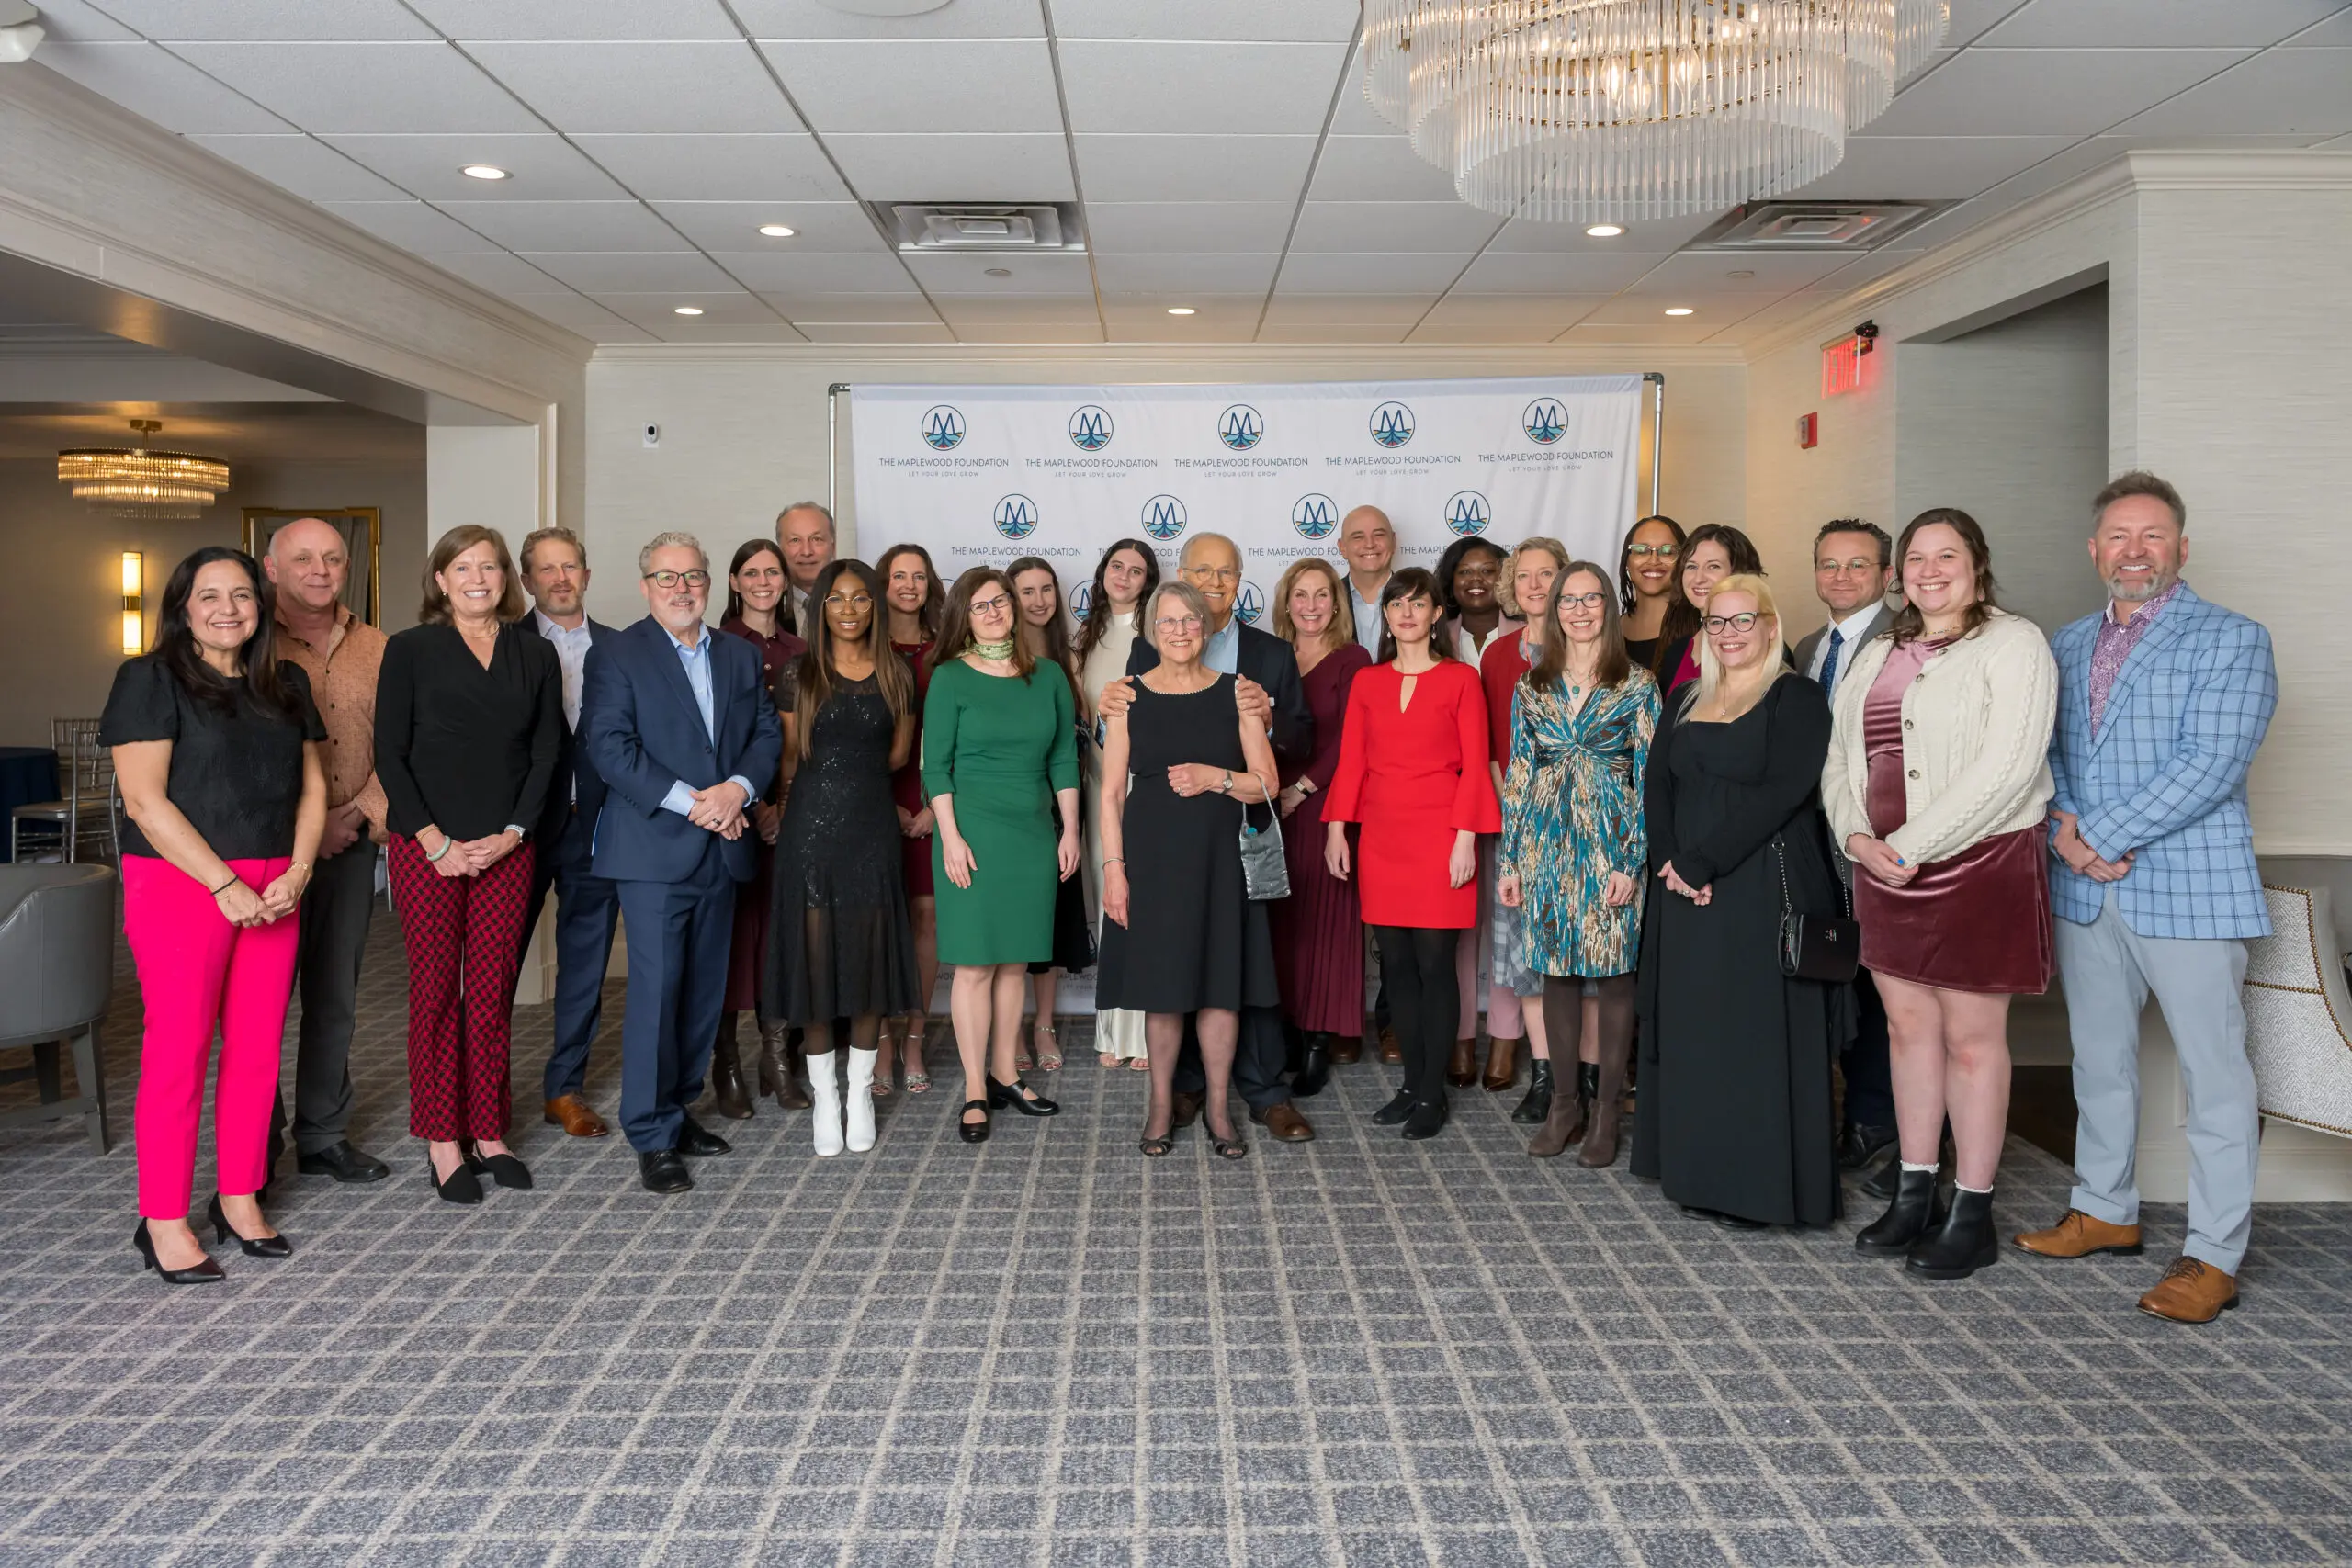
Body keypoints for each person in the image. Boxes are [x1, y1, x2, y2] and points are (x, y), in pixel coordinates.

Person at [2014, 473, 2278, 1324]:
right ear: (2095, 550)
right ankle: (2104, 1208)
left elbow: (2212, 762)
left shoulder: (2233, 638)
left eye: (2152, 535)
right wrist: (2065, 833)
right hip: (2085, 888)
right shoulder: (2065, 642)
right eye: (2120, 537)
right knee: (2099, 1061)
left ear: (2181, 548)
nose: (2135, 551)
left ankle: (2214, 1254)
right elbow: (2042, 752)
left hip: (2190, 888)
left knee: (2215, 1076)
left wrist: (2098, 834)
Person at [1826, 510, 2058, 1280]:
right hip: (1884, 869)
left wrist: (1907, 846)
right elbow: (1840, 758)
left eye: (1946, 555)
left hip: (1977, 864)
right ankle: (1915, 1191)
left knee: (1971, 1040)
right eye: (1917, 558)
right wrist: (1856, 837)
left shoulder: (2014, 643)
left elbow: (2009, 766)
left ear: (1976, 563)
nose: (1930, 570)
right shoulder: (1880, 651)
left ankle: (1972, 1209)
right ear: (1900, 573)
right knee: (1906, 1031)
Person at [106, 547, 326, 1281]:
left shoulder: (286, 683)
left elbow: (312, 789)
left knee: (258, 1049)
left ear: (261, 606)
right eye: (209, 595)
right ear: (182, 606)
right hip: (182, 881)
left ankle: (238, 1196)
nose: (227, 608)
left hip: (274, 884)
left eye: (241, 595)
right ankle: (163, 1219)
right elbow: (145, 801)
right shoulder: (149, 679)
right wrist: (221, 883)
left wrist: (298, 870)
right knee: (180, 1049)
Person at [1634, 574, 1847, 1229]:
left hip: (1760, 885)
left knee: (1754, 1033)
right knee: (1697, 1029)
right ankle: (1698, 1173)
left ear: (1770, 625)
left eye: (1742, 620)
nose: (1729, 633)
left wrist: (1704, 862)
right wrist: (1670, 860)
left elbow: (1783, 791)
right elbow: (1657, 784)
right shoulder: (1686, 697)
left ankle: (1759, 1190)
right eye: (1716, 622)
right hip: (1684, 887)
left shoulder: (1796, 697)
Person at [582, 532, 783, 1195]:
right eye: (667, 577)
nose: (681, 588)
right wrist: (696, 803)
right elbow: (610, 747)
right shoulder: (617, 653)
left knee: (703, 990)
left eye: (692, 575)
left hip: (724, 844)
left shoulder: (738, 654)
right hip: (652, 850)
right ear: (646, 585)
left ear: (708, 583)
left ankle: (678, 1109)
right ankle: (650, 1132)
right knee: (657, 990)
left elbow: (765, 734)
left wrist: (738, 791)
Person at [1107, 533, 1316, 1143]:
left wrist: (1218, 773)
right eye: (1168, 621)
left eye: (1189, 620)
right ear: (1153, 629)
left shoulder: (1246, 683)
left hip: (1224, 856)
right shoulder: (1131, 688)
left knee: (1226, 985)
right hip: (1154, 856)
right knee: (1165, 988)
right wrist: (1114, 866)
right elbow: (1111, 786)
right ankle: (1164, 1102)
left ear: (1206, 624)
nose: (1180, 630)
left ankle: (1229, 1105)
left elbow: (1272, 775)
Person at [377, 525, 562, 1205]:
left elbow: (547, 752)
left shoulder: (535, 652)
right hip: (426, 848)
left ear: (506, 577)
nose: (477, 578)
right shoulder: (410, 649)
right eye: (462, 567)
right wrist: (434, 840)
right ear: (441, 580)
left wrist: (514, 832)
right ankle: (441, 1139)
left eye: (489, 566)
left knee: (490, 991)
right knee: (434, 991)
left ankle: (488, 1130)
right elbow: (388, 753)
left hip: (506, 847)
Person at [1322, 568, 1500, 1141]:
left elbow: (1475, 763)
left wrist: (1465, 838)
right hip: (1381, 836)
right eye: (1397, 604)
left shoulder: (1461, 679)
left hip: (1441, 836)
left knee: (1435, 965)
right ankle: (1409, 1086)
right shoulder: (1367, 682)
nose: (1406, 613)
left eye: (1418, 604)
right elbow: (1351, 760)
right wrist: (1336, 829)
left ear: (1435, 614)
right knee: (1395, 965)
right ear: (1387, 616)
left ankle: (1432, 1092)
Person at [1500, 561, 1659, 1163]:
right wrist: (1511, 861)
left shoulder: (1637, 684)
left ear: (1608, 608)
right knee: (1558, 975)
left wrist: (1631, 858)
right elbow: (1520, 775)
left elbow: (1650, 781)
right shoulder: (1532, 686)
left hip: (1610, 850)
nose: (1580, 609)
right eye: (1569, 599)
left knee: (1615, 977)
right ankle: (1564, 1104)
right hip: (1545, 847)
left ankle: (1606, 1111)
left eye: (1592, 599)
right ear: (1555, 609)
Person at [763, 559, 920, 1157]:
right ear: (820, 608)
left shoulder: (897, 673)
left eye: (860, 599)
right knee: (816, 963)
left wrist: (852, 780)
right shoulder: (799, 674)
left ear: (875, 606)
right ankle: (826, 1096)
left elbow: (899, 754)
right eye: (836, 599)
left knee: (868, 960)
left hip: (871, 829)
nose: (849, 610)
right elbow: (790, 756)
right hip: (809, 831)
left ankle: (860, 1094)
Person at [922, 567, 1080, 1144]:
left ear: (1014, 607)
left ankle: (1006, 1075)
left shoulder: (1050, 675)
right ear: (963, 617)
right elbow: (935, 767)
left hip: (1033, 833)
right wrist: (951, 835)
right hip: (971, 833)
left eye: (1000, 602)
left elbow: (1063, 757)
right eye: (979, 606)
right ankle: (974, 1089)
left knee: (1015, 961)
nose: (993, 613)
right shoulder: (949, 678)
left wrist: (1070, 829)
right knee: (975, 965)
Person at [259, 517, 391, 1187]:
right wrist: (305, 831)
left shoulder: (380, 647)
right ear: (272, 568)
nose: (320, 570)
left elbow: (403, 744)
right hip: (265, 854)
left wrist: (360, 812)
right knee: (259, 1003)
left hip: (349, 845)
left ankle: (322, 1135)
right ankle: (255, 1143)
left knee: (335, 994)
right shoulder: (247, 641)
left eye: (333, 559)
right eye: (303, 559)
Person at [1791, 520, 1899, 1183]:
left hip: (1882, 840)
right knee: (1841, 979)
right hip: (1818, 841)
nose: (1841, 576)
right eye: (1829, 564)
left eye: (1857, 565)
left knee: (1892, 990)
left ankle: (1896, 1128)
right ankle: (1861, 1118)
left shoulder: (1907, 641)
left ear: (1887, 575)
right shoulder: (1809, 646)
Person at [516, 526, 624, 1140]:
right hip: (520, 831)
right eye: (546, 568)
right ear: (527, 580)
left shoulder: (621, 648)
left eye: (570, 566)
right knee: (495, 965)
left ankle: (565, 1088)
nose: (560, 578)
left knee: (584, 964)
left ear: (586, 574)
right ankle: (480, 1091)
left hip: (596, 827)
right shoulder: (502, 644)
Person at [1269, 558, 1371, 1091]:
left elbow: (1355, 739)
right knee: (1281, 922)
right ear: (1286, 603)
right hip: (1268, 802)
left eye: (1322, 594)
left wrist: (1302, 790)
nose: (1311, 605)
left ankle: (1317, 1041)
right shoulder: (1272, 657)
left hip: (1328, 803)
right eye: (1301, 595)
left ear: (1337, 603)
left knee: (1324, 924)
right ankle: (1284, 1032)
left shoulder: (1353, 658)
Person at [717, 540, 810, 1117]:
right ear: (734, 581)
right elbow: (714, 740)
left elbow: (810, 741)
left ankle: (776, 1060)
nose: (762, 581)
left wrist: (786, 806)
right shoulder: (717, 644)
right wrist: (756, 807)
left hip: (792, 818)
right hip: (731, 816)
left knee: (782, 936)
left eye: (772, 572)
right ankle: (725, 1062)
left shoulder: (802, 650)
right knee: (731, 941)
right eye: (750, 572)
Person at [1480, 538, 1569, 1121]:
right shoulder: (1496, 655)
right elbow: (1492, 748)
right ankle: (1543, 1074)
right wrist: (1514, 820)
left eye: (1547, 574)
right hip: (1519, 828)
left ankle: (1578, 1076)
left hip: (1580, 827)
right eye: (1524, 576)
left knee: (1579, 960)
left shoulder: (1586, 646)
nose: (1535, 585)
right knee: (1526, 954)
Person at [1074, 538, 1159, 1072]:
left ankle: (1146, 1031)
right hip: (1095, 787)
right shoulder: (1083, 637)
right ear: (1103, 571)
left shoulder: (1158, 632)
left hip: (1143, 787)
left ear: (1149, 581)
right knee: (1109, 900)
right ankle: (1112, 1027)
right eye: (1116, 566)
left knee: (1143, 902)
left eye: (1137, 570)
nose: (1124, 576)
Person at [1009, 555, 1094, 1073]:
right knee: (1014, 919)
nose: (1039, 601)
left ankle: (1043, 1024)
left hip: (1064, 802)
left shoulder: (1071, 656)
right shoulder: (997, 659)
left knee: (1053, 917)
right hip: (1014, 805)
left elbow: (1082, 734)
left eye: (1046, 590)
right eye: (1027, 591)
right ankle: (1013, 1027)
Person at [878, 541, 945, 1094]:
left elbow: (963, 737)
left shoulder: (947, 651)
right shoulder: (862, 647)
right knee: (878, 921)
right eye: (898, 575)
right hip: (874, 797)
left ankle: (916, 1039)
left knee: (927, 917)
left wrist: (933, 808)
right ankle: (879, 1043)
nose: (908, 585)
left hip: (933, 798)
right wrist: (884, 803)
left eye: (918, 576)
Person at [1652, 523, 1763, 694]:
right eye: (1691, 566)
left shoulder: (1759, 644)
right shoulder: (1677, 651)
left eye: (1713, 566)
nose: (1699, 578)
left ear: (1739, 572)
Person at [1619, 514, 1686, 673]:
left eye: (1667, 552)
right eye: (1641, 551)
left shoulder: (1700, 629)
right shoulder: (1608, 629)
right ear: (1627, 561)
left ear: (1683, 561)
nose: (1654, 561)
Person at [1435, 536, 1519, 663]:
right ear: (1451, 582)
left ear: (1505, 579)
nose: (1476, 578)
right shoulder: (1437, 637)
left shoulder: (1527, 634)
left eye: (1487, 571)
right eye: (1465, 572)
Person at [1337, 504, 1396, 658]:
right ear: (1342, 547)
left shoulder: (1419, 597)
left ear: (1394, 541)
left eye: (1379, 535)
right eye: (1358, 537)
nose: (1370, 544)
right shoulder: (1326, 601)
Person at [775, 500, 837, 636]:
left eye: (816, 539)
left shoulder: (858, 604)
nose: (807, 551)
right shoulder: (762, 606)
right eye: (795, 540)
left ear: (833, 547)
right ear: (779, 550)